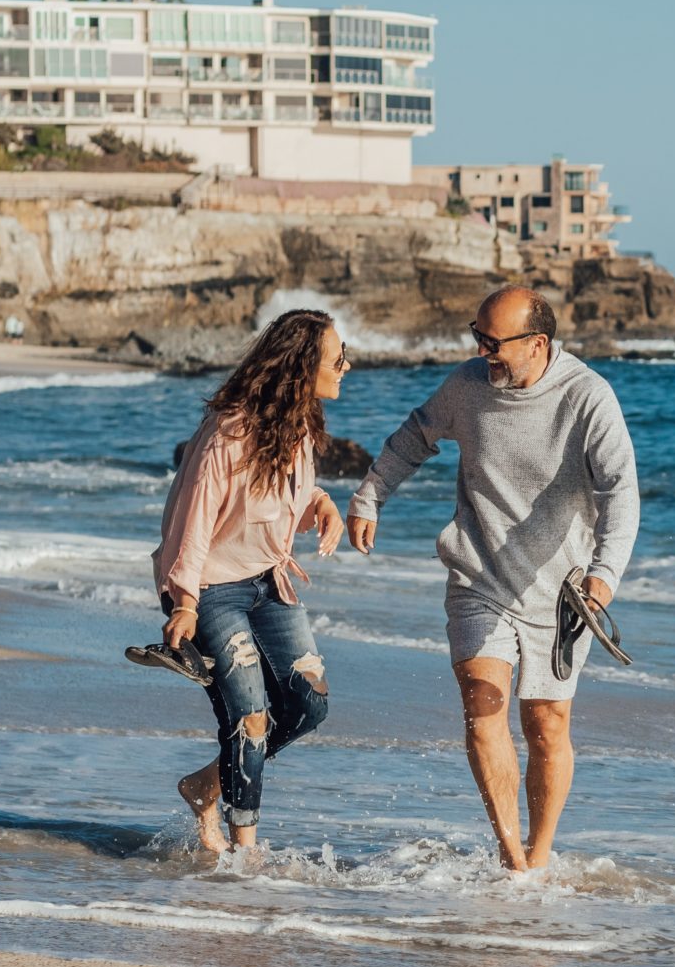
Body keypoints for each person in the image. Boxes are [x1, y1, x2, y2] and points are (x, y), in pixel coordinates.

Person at [347, 285, 639, 871]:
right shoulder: (468, 386)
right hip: (478, 575)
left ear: (537, 345)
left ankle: (539, 851)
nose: (483, 352)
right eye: (476, 337)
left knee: (546, 724)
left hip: (562, 594)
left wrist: (605, 574)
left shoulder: (587, 398)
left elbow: (620, 491)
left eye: (493, 341)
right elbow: (414, 436)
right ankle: (513, 860)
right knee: (483, 703)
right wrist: (369, 496)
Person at [146, 309, 351, 853]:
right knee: (250, 715)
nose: (346, 367)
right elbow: (191, 524)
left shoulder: (298, 426)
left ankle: (205, 786)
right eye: (337, 358)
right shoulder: (228, 434)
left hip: (267, 582)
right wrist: (184, 604)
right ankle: (246, 854)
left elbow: (285, 498)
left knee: (309, 703)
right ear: (302, 366)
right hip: (210, 589)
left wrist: (322, 504)